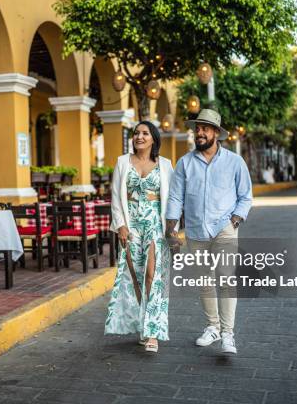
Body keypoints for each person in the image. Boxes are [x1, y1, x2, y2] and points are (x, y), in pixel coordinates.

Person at [165, 108, 252, 355]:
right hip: (195, 231)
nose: (199, 133)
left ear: (216, 133)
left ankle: (227, 334)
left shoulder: (235, 161)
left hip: (224, 228)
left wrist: (235, 219)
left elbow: (245, 196)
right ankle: (212, 327)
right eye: (197, 129)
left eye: (204, 129)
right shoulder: (184, 163)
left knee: (225, 280)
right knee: (204, 281)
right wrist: (171, 229)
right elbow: (175, 197)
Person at [105, 121, 174, 353]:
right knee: (134, 276)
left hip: (155, 225)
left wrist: (172, 229)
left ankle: (152, 331)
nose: (140, 137)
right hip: (131, 225)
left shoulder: (165, 165)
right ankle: (143, 324)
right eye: (136, 133)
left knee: (152, 275)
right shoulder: (122, 162)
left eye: (145, 133)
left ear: (154, 138)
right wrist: (120, 226)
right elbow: (116, 196)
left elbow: (172, 201)